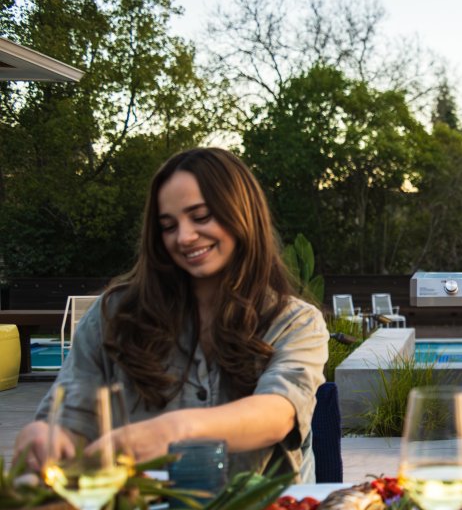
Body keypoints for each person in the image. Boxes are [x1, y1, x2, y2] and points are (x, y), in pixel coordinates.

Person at [16, 147, 328, 481]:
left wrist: (171, 430)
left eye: (201, 216)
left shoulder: (295, 321)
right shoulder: (111, 317)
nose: (184, 236)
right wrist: (46, 437)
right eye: (168, 225)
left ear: (242, 214)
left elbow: (277, 414)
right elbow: (69, 420)